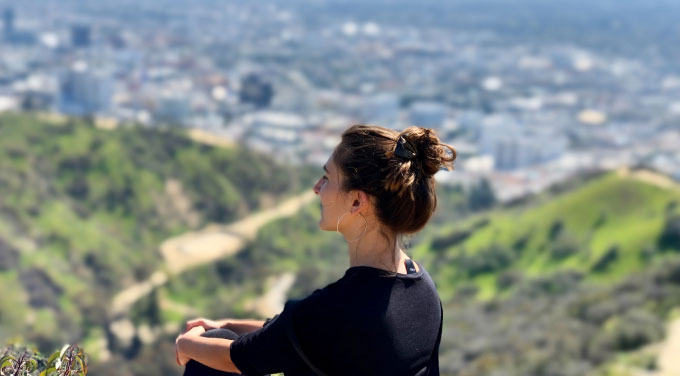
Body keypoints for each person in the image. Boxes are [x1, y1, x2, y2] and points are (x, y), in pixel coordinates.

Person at [175, 124, 457, 375]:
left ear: (357, 202)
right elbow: (295, 331)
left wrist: (186, 343)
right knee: (222, 334)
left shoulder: (338, 307)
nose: (316, 188)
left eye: (327, 178)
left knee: (207, 354)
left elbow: (236, 359)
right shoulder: (422, 287)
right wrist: (228, 324)